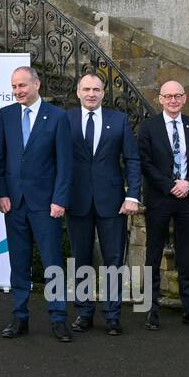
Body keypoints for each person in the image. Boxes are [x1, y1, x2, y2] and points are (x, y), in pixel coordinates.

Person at [0, 66, 72, 341]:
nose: (18, 91)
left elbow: (65, 163)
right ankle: (19, 318)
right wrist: (0, 193)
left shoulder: (58, 117)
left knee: (52, 263)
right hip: (13, 203)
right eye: (14, 87)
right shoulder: (6, 115)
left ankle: (59, 319)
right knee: (18, 263)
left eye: (22, 86)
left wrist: (60, 199)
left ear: (36, 84)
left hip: (46, 204)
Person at [64, 72, 141, 336]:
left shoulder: (118, 120)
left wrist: (133, 196)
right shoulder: (66, 119)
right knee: (81, 258)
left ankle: (112, 314)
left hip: (113, 202)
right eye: (86, 89)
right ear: (78, 92)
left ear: (103, 93)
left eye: (96, 89)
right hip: (76, 200)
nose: (91, 94)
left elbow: (132, 160)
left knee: (113, 260)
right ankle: (84, 313)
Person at [136, 80, 189, 330]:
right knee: (153, 255)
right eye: (168, 96)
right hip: (160, 198)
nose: (173, 100)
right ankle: (150, 310)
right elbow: (145, 163)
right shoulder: (148, 127)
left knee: (186, 257)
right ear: (160, 99)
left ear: (185, 98)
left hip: (187, 199)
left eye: (177, 95)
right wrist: (170, 185)